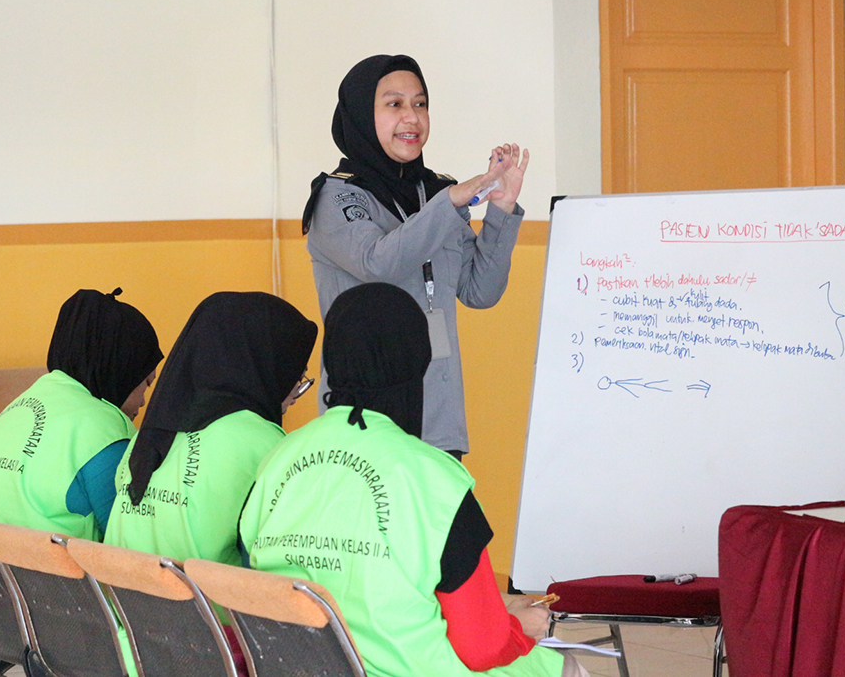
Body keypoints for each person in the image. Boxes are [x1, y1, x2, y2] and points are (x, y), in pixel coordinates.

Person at [239, 283, 586, 677]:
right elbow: (482, 649)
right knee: (565, 667)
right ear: (414, 360)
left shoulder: (277, 459)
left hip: (298, 665)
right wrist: (520, 629)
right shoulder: (437, 479)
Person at [302, 53, 529, 458]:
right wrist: (451, 201)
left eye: (420, 104)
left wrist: (502, 209)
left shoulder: (436, 191)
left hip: (438, 420)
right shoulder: (337, 197)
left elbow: (481, 291)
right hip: (364, 425)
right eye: (394, 104)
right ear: (360, 114)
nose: (412, 118)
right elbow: (379, 264)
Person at [104, 291, 317, 569]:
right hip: (207, 611)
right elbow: (286, 560)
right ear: (262, 364)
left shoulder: (151, 434)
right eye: (294, 373)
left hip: (120, 607)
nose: (296, 390)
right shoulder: (263, 442)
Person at [0, 288, 162, 541]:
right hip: (57, 578)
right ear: (123, 370)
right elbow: (133, 545)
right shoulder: (104, 431)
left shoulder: (21, 408)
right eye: (146, 384)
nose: (143, 402)